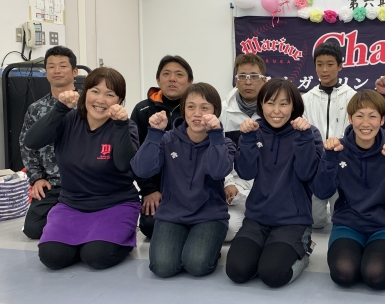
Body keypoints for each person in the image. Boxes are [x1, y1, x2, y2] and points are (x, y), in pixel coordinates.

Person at [24, 67, 141, 270]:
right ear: (85, 93)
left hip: (114, 205)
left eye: (110, 94)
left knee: (96, 256)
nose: (101, 100)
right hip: (72, 204)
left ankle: (118, 235)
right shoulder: (68, 119)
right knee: (52, 257)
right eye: (95, 91)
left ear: (119, 101)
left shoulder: (125, 126)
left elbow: (125, 165)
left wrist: (121, 125)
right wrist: (60, 108)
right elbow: (31, 141)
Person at [131, 83, 236, 278]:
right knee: (162, 267)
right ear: (183, 110)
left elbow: (217, 172)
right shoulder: (167, 139)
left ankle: (206, 249)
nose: (197, 113)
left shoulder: (224, 143)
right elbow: (141, 169)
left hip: (209, 216)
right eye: (191, 107)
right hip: (172, 214)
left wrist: (215, 135)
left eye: (204, 108)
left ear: (215, 112)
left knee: (197, 266)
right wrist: (154, 133)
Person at [313, 90, 385, 290]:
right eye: (359, 116)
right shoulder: (338, 148)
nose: (366, 123)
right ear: (350, 118)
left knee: (376, 275)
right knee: (343, 273)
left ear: (382, 120)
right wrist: (329, 158)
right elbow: (322, 192)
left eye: (373, 116)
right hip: (349, 224)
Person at [226, 79, 323, 288]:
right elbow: (245, 172)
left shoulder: (309, 132)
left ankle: (304, 251)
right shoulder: (254, 130)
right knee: (237, 271)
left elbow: (307, 173)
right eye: (270, 103)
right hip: (257, 218)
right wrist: (247, 139)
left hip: (293, 220)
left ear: (294, 105)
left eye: (284, 104)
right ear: (261, 105)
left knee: (273, 274)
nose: (276, 111)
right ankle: (267, 251)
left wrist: (304, 138)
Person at [130, 55, 194, 239]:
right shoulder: (142, 110)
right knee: (151, 227)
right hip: (157, 188)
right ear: (158, 80)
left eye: (179, 74)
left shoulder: (196, 110)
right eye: (166, 74)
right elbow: (135, 155)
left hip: (190, 186)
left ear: (190, 81)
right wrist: (148, 189)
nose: (172, 79)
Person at [20, 46, 78, 239]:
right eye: (51, 67)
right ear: (46, 73)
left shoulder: (88, 105)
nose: (57, 70)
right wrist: (36, 178)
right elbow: (26, 146)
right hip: (52, 184)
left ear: (75, 72)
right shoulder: (36, 109)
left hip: (83, 183)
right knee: (34, 229)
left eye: (63, 65)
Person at [303, 41, 356, 229]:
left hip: (342, 164)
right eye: (319, 64)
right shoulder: (306, 99)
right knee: (315, 222)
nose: (324, 69)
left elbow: (354, 131)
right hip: (316, 166)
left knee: (340, 220)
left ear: (340, 66)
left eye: (330, 64)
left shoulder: (352, 97)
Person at [220, 54, 267, 241]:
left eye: (254, 76)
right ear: (236, 80)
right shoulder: (221, 111)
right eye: (242, 76)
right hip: (236, 183)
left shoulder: (274, 111)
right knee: (227, 230)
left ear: (264, 80)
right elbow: (217, 152)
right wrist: (227, 182)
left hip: (268, 183)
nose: (248, 82)